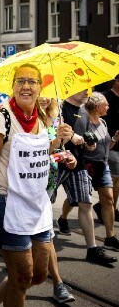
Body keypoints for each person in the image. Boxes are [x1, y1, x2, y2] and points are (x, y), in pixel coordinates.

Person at [0, 64, 75, 307]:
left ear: (41, 87)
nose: (26, 87)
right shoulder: (2, 119)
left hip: (36, 202)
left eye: (32, 82)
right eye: (20, 81)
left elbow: (38, 153)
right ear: (13, 86)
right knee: (21, 278)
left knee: (39, 275)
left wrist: (58, 145)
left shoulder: (40, 118)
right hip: (7, 204)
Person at [38, 96, 78, 304]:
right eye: (40, 92)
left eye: (47, 94)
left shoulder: (54, 119)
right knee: (46, 238)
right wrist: (54, 146)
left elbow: (57, 152)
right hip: (28, 189)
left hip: (49, 184)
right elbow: (32, 155)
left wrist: (68, 157)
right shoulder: (26, 120)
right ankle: (58, 283)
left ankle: (57, 285)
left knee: (47, 236)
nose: (44, 97)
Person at [73, 93, 119, 250]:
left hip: (102, 165)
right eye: (105, 104)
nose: (108, 107)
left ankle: (110, 236)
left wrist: (113, 140)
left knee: (108, 199)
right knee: (79, 199)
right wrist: (86, 145)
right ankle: (63, 217)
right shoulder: (83, 122)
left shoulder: (104, 123)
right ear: (98, 107)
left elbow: (106, 147)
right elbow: (78, 142)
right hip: (87, 165)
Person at [56, 89, 88, 235]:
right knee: (45, 199)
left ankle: (92, 247)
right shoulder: (59, 108)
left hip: (78, 164)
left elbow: (86, 135)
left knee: (84, 203)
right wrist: (72, 135)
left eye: (89, 90)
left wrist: (88, 144)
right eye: (83, 90)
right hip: (56, 165)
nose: (87, 92)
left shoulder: (85, 112)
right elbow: (52, 128)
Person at [102, 74, 119, 223]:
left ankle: (108, 207)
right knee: (115, 178)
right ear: (116, 81)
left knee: (116, 180)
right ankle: (109, 207)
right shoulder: (106, 97)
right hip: (110, 143)